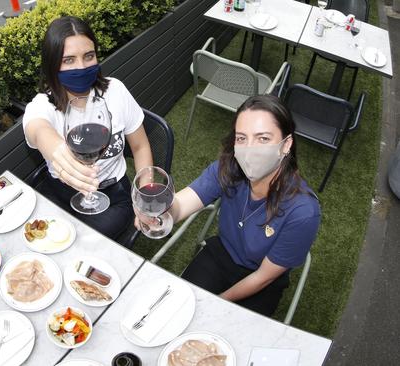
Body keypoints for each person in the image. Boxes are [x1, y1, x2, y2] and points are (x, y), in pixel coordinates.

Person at [159, 95, 320, 316]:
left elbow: (265, 276)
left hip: (261, 281)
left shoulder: (303, 212)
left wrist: (217, 302)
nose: (250, 149)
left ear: (287, 144)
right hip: (221, 255)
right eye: (241, 138)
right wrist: (160, 211)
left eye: (263, 138)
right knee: (175, 310)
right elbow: (180, 204)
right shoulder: (228, 169)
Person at [23, 16, 153, 244]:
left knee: (85, 245)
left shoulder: (115, 91)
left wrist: (144, 197)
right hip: (60, 193)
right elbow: (38, 128)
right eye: (69, 60)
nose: (81, 67)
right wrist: (57, 148)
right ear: (53, 64)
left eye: (88, 56)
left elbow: (141, 147)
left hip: (112, 194)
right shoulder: (42, 105)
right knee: (45, 240)